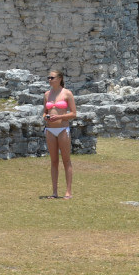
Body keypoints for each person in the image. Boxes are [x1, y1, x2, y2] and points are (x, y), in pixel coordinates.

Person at [43, 69, 76, 199]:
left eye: (52, 78)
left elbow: (74, 114)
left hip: (63, 129)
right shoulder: (47, 94)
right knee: (54, 161)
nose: (49, 80)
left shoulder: (67, 93)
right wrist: (46, 117)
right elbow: (44, 112)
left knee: (66, 160)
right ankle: (54, 192)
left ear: (60, 78)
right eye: (48, 78)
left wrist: (60, 117)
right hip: (50, 130)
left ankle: (68, 191)